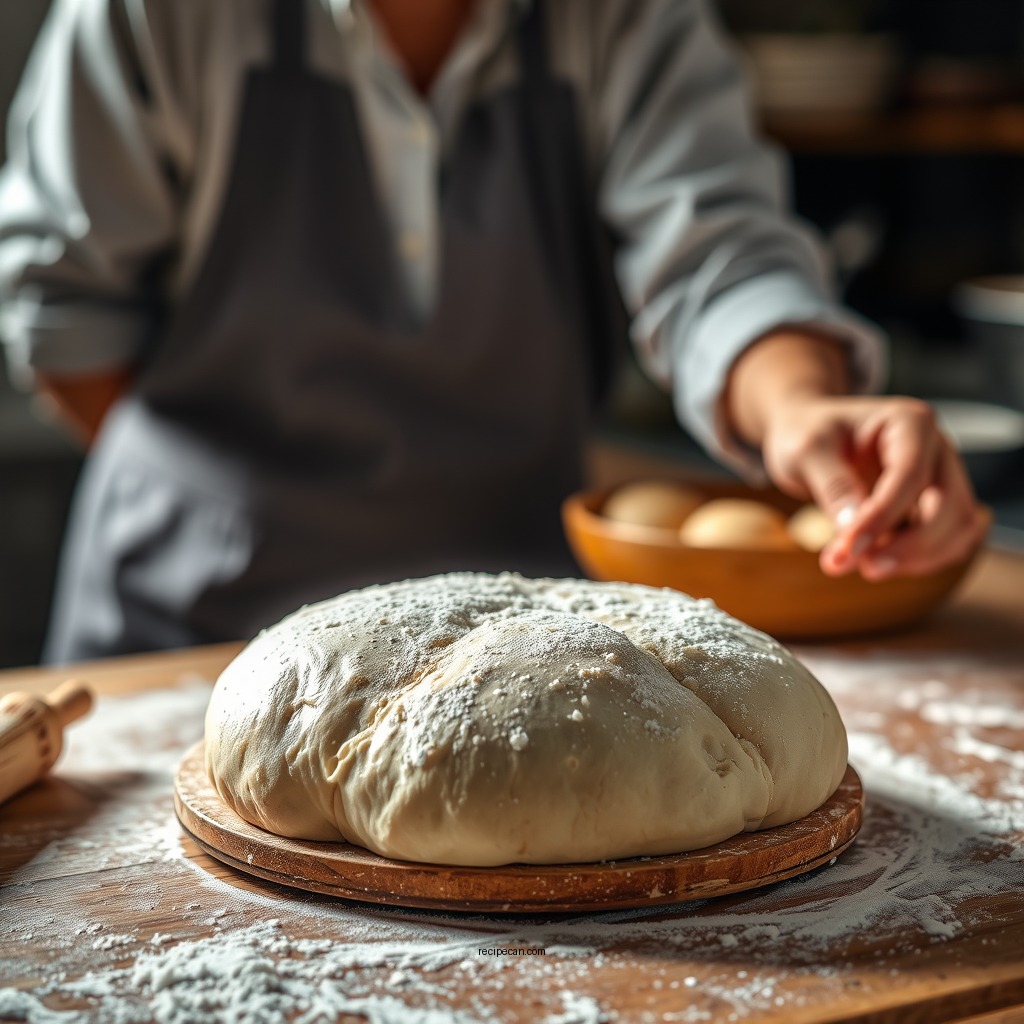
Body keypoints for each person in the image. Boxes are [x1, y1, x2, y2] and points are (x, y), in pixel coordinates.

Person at [0, 0, 985, 663]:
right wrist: (226, 510)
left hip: (517, 625)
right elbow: (67, 318)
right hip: (195, 623)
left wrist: (806, 408)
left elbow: (717, 258)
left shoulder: (622, 19)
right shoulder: (160, 18)